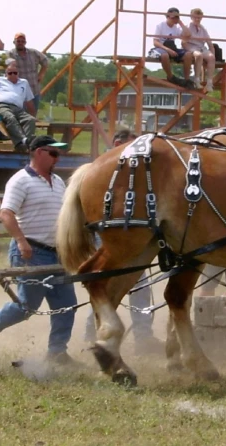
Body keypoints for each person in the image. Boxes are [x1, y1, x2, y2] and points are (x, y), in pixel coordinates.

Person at [0, 135, 79, 366]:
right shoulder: (20, 180)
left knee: (66, 306)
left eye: (58, 153)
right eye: (53, 153)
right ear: (37, 152)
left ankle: (57, 352)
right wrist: (21, 241)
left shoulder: (57, 181)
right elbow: (6, 213)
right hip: (31, 252)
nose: (58, 157)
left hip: (57, 254)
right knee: (25, 308)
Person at [83, 129, 162, 353]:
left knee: (141, 288)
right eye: (131, 145)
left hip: (133, 234)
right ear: (118, 144)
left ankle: (144, 336)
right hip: (110, 236)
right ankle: (93, 332)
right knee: (104, 286)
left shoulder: (131, 172)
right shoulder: (105, 169)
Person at [0, 62, 36, 153]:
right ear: (6, 74)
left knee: (30, 120)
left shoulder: (24, 82)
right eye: (10, 73)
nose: (12, 75)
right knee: (10, 118)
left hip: (18, 108)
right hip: (2, 106)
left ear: (18, 73)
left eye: (15, 73)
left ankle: (23, 146)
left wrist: (34, 115)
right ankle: (23, 141)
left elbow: (29, 101)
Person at [151, 7, 193, 88]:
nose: (174, 19)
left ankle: (187, 79)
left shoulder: (176, 28)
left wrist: (180, 22)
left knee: (188, 54)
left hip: (172, 47)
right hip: (161, 48)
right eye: (173, 17)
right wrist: (167, 50)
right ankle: (170, 76)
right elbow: (155, 42)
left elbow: (188, 34)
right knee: (164, 55)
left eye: (177, 17)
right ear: (168, 16)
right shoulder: (160, 26)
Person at [7, 32, 48, 113]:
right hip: (18, 91)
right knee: (19, 117)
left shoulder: (33, 52)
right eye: (18, 41)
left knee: (32, 117)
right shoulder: (10, 54)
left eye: (22, 41)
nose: (20, 43)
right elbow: (6, 66)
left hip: (33, 90)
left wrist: (41, 74)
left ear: (25, 43)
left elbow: (45, 61)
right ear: (14, 42)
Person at [183, 8, 216, 93]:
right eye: (195, 17)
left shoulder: (203, 29)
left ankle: (209, 82)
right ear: (191, 17)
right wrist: (190, 50)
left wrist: (213, 55)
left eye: (199, 17)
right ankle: (196, 80)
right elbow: (183, 43)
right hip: (191, 46)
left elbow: (209, 43)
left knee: (211, 57)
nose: (197, 19)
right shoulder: (187, 27)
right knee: (198, 55)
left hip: (201, 47)